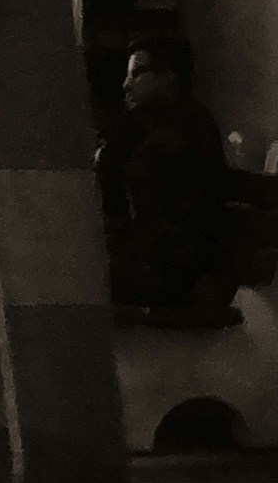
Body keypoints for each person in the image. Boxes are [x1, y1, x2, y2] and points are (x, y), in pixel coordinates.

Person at [97, 35, 233, 323]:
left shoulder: (177, 137)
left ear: (169, 76)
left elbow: (152, 224)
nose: (125, 85)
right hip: (170, 267)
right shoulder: (180, 124)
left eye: (136, 74)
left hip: (170, 275)